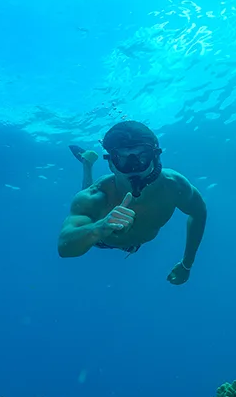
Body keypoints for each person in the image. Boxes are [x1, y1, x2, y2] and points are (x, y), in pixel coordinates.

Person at [58, 121, 207, 285]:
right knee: (90, 201)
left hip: (135, 244)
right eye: (122, 159)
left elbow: (199, 213)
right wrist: (98, 229)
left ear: (155, 157)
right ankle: (87, 164)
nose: (134, 167)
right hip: (103, 240)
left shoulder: (175, 185)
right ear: (111, 164)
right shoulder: (95, 196)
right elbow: (64, 247)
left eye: (142, 156)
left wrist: (187, 264)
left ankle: (88, 161)